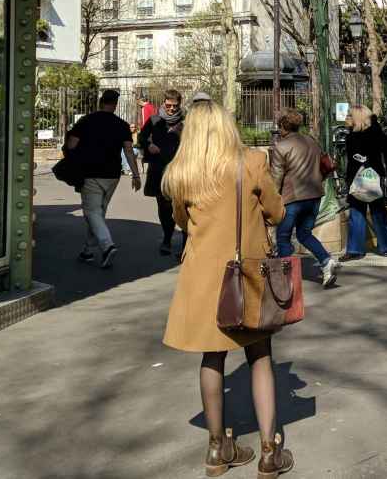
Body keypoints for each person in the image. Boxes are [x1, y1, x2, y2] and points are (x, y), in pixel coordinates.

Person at [161, 100, 293, 479]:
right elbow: (277, 213)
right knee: (260, 355)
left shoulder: (181, 172)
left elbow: (182, 222)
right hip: (247, 273)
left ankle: (218, 448)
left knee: (212, 357)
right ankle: (270, 451)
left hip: (203, 276)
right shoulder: (250, 162)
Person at [66, 89, 141, 268]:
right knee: (98, 212)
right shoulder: (122, 125)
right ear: (115, 105)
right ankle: (88, 251)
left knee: (92, 212)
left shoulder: (86, 121)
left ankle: (107, 247)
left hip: (90, 173)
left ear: (100, 102)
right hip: (113, 175)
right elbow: (129, 151)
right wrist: (136, 175)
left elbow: (71, 145)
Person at [270, 109, 339, 288]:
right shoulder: (311, 141)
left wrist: (272, 199)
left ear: (283, 127)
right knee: (304, 233)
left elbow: (276, 177)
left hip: (292, 198)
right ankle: (326, 261)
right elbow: (322, 166)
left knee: (283, 238)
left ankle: (286, 280)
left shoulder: (281, 146)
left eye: (279, 127)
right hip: (315, 195)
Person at [339, 105, 387, 261]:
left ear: (357, 118)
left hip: (364, 178)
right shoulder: (372, 133)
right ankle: (386, 246)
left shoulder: (357, 136)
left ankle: (356, 250)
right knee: (372, 212)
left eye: (350, 116)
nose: (347, 118)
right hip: (370, 177)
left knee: (363, 212)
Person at [139, 89, 186, 257]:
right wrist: (148, 145)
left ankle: (186, 244)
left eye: (175, 106)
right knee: (164, 208)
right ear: (164, 103)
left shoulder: (186, 121)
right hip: (159, 169)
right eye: (168, 105)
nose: (172, 109)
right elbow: (141, 138)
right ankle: (167, 238)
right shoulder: (154, 119)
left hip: (181, 170)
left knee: (183, 207)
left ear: (180, 104)